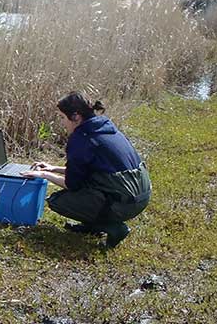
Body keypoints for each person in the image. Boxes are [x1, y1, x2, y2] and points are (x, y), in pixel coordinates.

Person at [21, 91, 151, 248]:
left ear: (76, 117)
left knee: (58, 201)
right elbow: (95, 170)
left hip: (124, 203)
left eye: (63, 117)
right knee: (87, 187)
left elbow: (72, 184)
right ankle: (92, 226)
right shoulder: (104, 127)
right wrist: (53, 168)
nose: (62, 123)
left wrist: (44, 174)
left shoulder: (81, 139)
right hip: (141, 196)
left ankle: (114, 227)